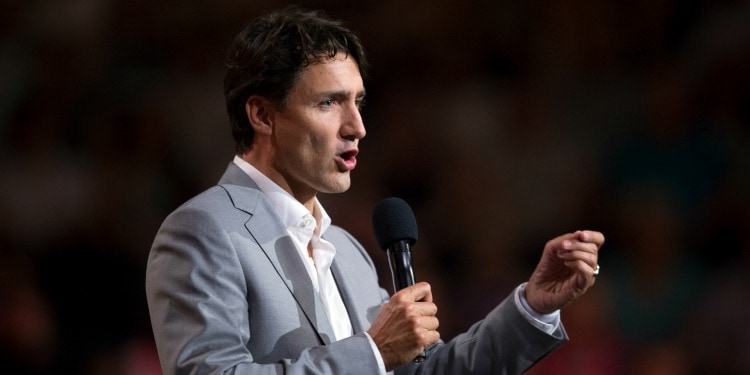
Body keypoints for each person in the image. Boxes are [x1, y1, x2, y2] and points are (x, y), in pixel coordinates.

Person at [145, 6, 604, 375]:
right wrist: (372, 352)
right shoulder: (202, 230)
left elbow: (424, 370)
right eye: (329, 103)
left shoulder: (347, 250)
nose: (358, 127)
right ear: (263, 116)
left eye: (358, 102)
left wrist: (532, 308)